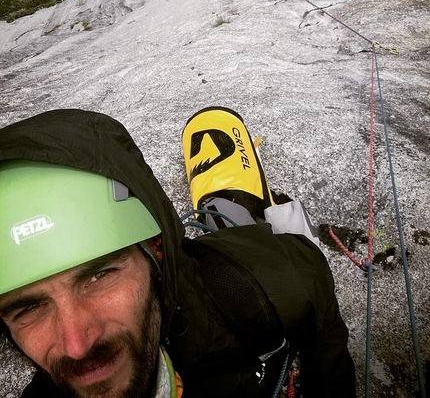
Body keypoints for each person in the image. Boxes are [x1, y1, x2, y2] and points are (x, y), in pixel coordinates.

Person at [0, 107, 356, 398]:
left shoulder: (270, 284)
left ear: (155, 253)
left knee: (237, 228)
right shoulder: (278, 282)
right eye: (28, 307)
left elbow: (314, 305)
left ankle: (230, 212)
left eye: (100, 274)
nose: (76, 345)